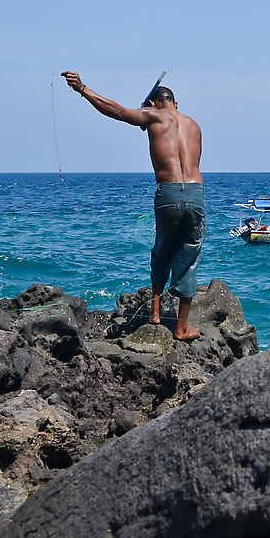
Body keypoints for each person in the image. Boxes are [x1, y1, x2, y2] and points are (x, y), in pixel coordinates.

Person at [61, 71, 204, 341]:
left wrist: (83, 89)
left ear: (151, 103)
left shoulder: (152, 116)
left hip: (168, 192)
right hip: (196, 192)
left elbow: (116, 111)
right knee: (189, 256)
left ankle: (156, 311)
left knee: (162, 248)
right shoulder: (194, 125)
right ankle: (182, 328)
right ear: (175, 103)